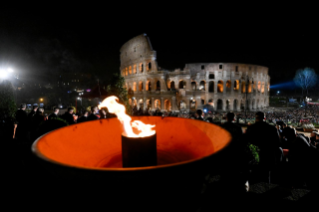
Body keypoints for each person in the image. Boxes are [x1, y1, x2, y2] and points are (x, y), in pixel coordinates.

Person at [245, 111, 281, 184]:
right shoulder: (272, 128)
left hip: (254, 158)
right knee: (265, 179)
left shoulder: (250, 128)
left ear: (256, 118)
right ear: (264, 118)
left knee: (254, 179)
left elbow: (245, 143)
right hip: (267, 158)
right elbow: (277, 144)